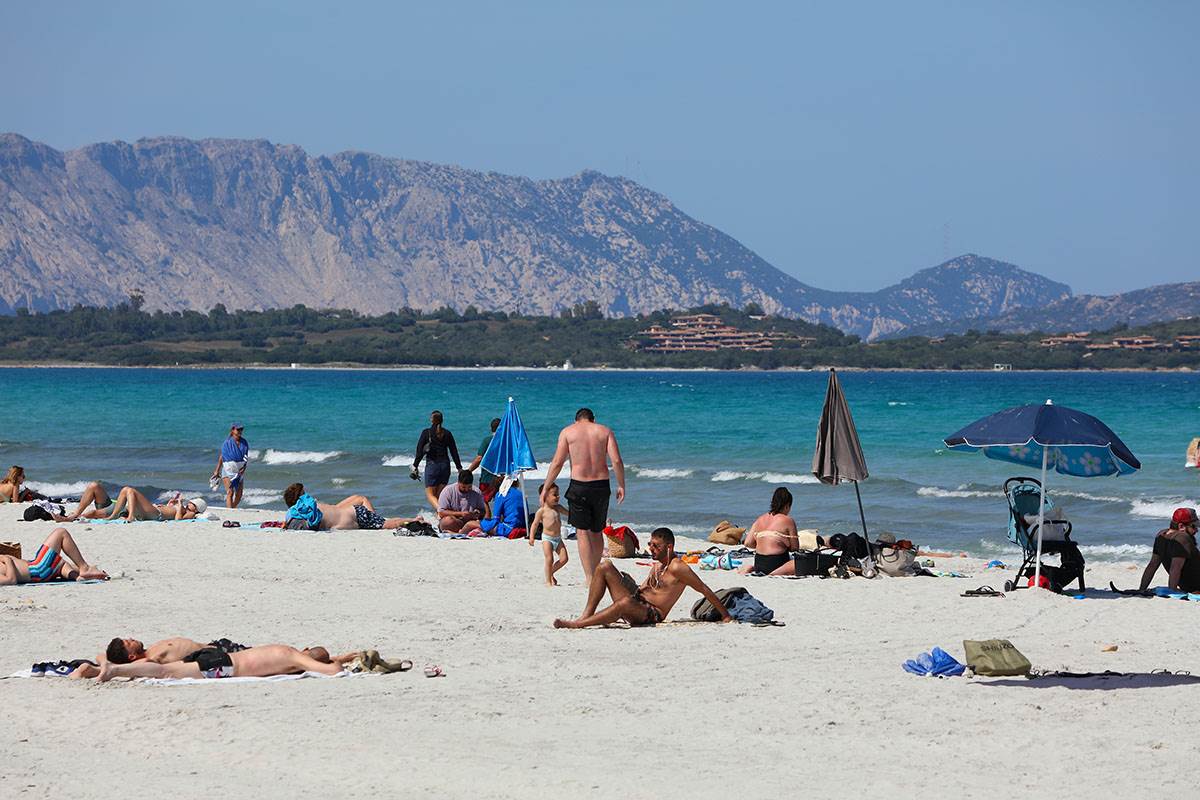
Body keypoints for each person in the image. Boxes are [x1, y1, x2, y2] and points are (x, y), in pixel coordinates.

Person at [554, 527, 731, 628]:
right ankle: (586, 615)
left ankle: (578, 625)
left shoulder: (677, 567)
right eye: (650, 544)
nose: (651, 549)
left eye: (656, 546)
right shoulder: (658, 563)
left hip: (652, 614)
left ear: (669, 547)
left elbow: (703, 588)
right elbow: (646, 588)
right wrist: (628, 585)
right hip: (638, 601)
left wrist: (726, 616)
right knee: (604, 566)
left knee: (624, 604)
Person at [540, 408, 626, 585]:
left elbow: (557, 462)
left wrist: (546, 486)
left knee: (582, 532)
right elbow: (616, 460)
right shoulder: (605, 431)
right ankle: (596, 571)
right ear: (593, 420)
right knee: (597, 530)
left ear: (576, 420)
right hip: (601, 486)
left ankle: (589, 577)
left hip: (579, 486)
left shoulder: (568, 432)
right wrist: (621, 484)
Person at [97, 643, 343, 681]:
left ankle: (103, 669)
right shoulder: (292, 657)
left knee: (167, 670)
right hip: (225, 666)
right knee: (165, 671)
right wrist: (337, 664)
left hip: (223, 658)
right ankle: (115, 669)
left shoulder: (285, 650)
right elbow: (332, 671)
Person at [0, 527, 108, 585]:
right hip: (38, 570)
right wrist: (7, 559)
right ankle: (85, 569)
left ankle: (79, 575)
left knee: (60, 564)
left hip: (36, 568)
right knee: (61, 532)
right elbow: (11, 580)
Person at [282, 483, 413, 530]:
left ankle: (376, 517)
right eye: (303, 494)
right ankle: (414, 520)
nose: (307, 496)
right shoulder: (310, 510)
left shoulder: (299, 513)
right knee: (387, 523)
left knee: (361, 499)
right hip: (355, 514)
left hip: (352, 513)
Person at [737, 487, 800, 576]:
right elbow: (795, 548)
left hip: (759, 563)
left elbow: (747, 543)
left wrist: (763, 544)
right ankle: (774, 573)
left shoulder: (760, 519)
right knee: (798, 563)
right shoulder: (788, 520)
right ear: (787, 506)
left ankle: (754, 569)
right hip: (776, 563)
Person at [411, 411, 462, 513]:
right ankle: (439, 516)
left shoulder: (426, 432)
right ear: (442, 420)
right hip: (445, 466)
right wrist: (459, 467)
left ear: (431, 420)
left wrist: (415, 465)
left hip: (432, 466)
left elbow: (420, 451)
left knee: (430, 495)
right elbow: (454, 451)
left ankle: (442, 512)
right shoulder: (447, 433)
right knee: (439, 496)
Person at [1139, 507, 1200, 592]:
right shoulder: (1182, 538)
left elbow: (1152, 566)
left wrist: (1142, 589)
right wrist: (1172, 591)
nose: (1196, 530)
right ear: (1181, 526)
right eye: (1193, 526)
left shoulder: (1161, 535)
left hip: (1189, 586)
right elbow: (1175, 568)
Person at [530, 483, 569, 586]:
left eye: (558, 494)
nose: (558, 496)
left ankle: (551, 572)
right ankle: (548, 581)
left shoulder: (558, 508)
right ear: (544, 496)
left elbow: (569, 514)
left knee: (564, 559)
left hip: (558, 538)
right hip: (547, 538)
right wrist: (531, 537)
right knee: (549, 559)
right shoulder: (541, 511)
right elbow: (534, 524)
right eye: (555, 494)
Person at [103, 487, 206, 522]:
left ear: (197, 509)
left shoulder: (191, 514)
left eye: (193, 504)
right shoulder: (183, 508)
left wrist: (179, 506)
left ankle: (131, 516)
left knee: (130, 490)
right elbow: (170, 511)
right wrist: (170, 504)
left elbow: (178, 519)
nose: (190, 503)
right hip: (152, 510)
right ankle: (114, 515)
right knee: (125, 490)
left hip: (156, 514)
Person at [465, 418, 503, 505]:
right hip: (503, 477)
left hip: (487, 477)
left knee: (483, 501)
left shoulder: (487, 440)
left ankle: (487, 518)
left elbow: (479, 458)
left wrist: (469, 471)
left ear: (491, 428)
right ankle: (499, 518)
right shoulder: (507, 442)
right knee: (501, 501)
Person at [212, 423, 250, 509]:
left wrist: (244, 468)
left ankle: (232, 508)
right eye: (238, 429)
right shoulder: (227, 443)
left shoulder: (244, 442)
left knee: (239, 494)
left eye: (241, 430)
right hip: (227, 469)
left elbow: (245, 457)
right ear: (233, 430)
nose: (240, 431)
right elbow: (222, 456)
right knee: (230, 492)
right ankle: (230, 511)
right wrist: (217, 470)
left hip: (239, 470)